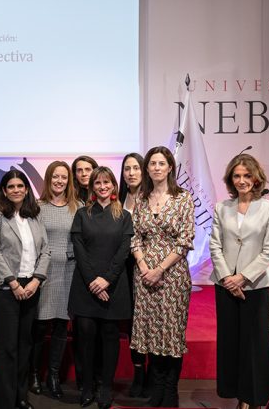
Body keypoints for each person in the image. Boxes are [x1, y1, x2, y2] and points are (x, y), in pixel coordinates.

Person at [210, 154, 269, 409]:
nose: (242, 180)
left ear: (256, 177)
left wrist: (242, 278)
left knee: (255, 343)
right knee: (231, 342)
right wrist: (229, 278)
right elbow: (215, 245)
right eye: (237, 176)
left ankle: (256, 398)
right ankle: (239, 396)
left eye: (246, 175)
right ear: (231, 179)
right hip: (225, 284)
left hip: (256, 285)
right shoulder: (221, 207)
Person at [130, 146, 195, 408]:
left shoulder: (183, 199)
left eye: (161, 163)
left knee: (171, 334)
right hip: (144, 276)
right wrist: (145, 266)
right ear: (147, 169)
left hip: (173, 276)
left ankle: (171, 391)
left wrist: (160, 269)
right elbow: (135, 237)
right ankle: (156, 389)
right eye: (152, 164)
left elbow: (185, 240)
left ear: (170, 167)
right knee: (150, 334)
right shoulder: (142, 200)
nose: (156, 168)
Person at [69, 167, 133, 409]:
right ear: (92, 187)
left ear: (114, 186)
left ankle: (106, 387)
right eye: (98, 183)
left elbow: (123, 252)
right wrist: (92, 282)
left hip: (114, 286)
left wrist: (106, 280)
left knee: (110, 337)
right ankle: (86, 387)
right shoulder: (82, 214)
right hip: (85, 286)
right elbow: (79, 250)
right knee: (85, 336)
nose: (103, 186)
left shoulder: (125, 216)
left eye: (107, 182)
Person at [0, 170, 50, 409]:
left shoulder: (35, 213)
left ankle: (21, 397)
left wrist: (35, 281)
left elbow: (46, 250)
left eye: (20, 186)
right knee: (7, 347)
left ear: (26, 189)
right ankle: (5, 401)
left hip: (32, 286)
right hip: (4, 288)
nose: (15, 190)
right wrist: (13, 283)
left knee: (25, 344)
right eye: (10, 186)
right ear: (4, 190)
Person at [32, 160, 81, 399]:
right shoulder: (37, 206)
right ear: (48, 179)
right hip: (44, 273)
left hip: (69, 273)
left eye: (64, 177)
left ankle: (53, 375)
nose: (59, 181)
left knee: (62, 325)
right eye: (55, 177)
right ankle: (33, 374)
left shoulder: (78, 207)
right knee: (40, 326)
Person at [118, 152, 148, 397]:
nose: (131, 172)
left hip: (147, 266)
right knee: (131, 323)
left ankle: (152, 373)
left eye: (136, 167)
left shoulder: (153, 198)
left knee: (147, 319)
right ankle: (138, 373)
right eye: (127, 168)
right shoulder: (118, 198)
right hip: (122, 267)